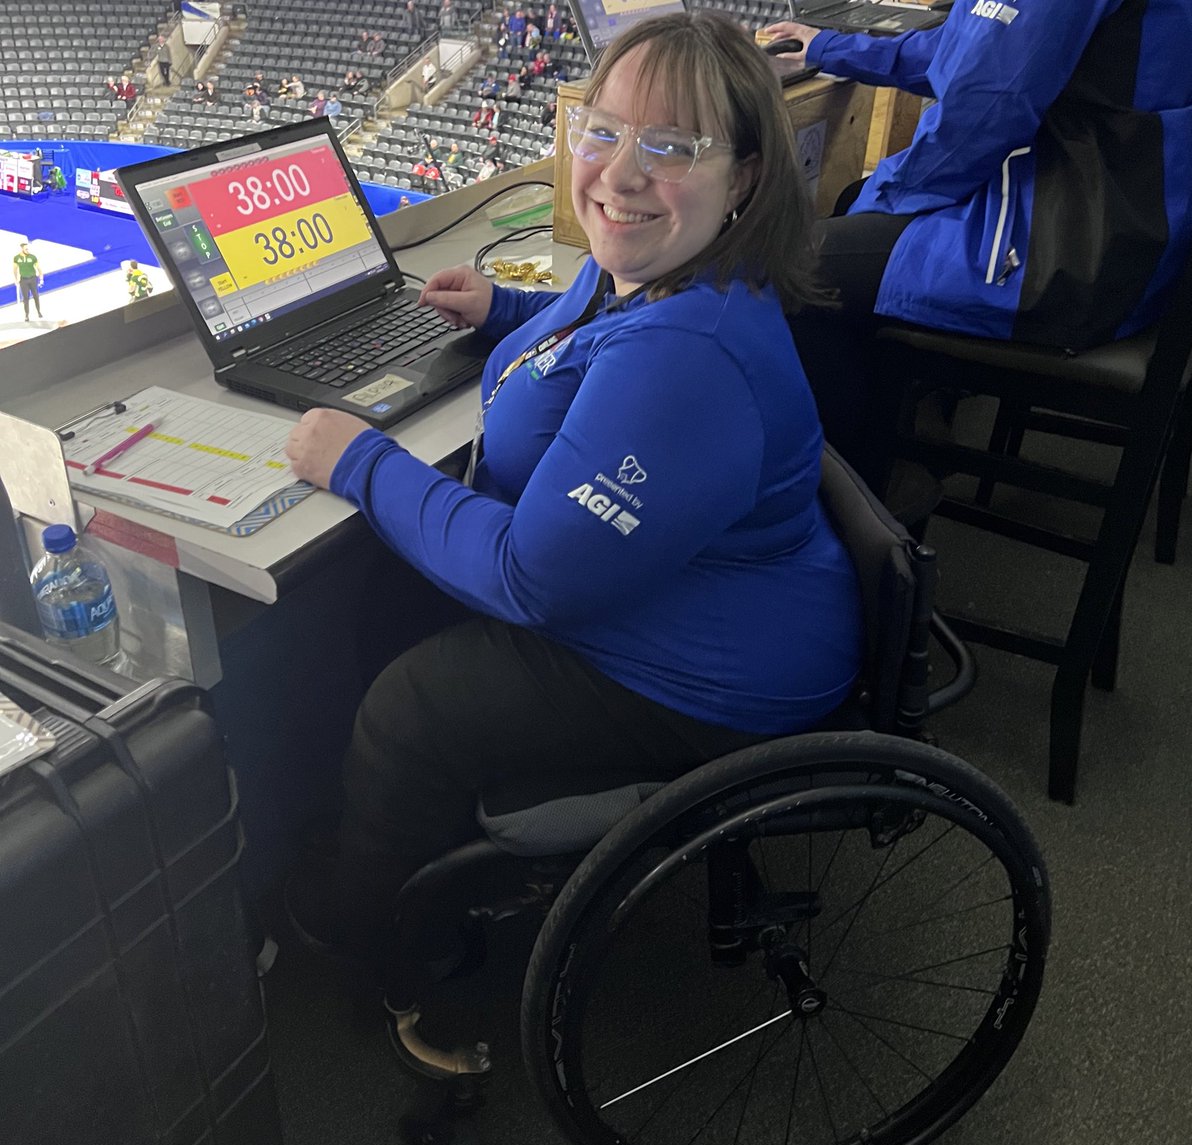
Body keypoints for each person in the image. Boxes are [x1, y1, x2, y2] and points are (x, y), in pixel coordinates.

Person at [282, 12, 862, 1011]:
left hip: (714, 678)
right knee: (389, 591)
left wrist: (360, 461)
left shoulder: (691, 354)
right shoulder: (645, 264)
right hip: (674, 597)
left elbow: (530, 576)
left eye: (671, 147)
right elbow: (582, 323)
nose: (619, 173)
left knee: (408, 710)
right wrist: (500, 312)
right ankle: (413, 843)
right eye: (603, 129)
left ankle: (370, 942)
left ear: (748, 178)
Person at [763, 1, 1192, 481]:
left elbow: (988, 101)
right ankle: (910, 417)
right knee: (849, 217)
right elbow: (979, 50)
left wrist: (883, 194)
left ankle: (860, 497)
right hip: (1140, 230)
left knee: (794, 267)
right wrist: (833, 47)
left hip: (1072, 252)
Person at [12, 241, 43, 321]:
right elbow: (15, 270)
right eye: (26, 249)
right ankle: (27, 315)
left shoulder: (32, 257)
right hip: (23, 280)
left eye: (28, 249)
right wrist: (16, 279)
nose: (27, 250)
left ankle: (39, 311)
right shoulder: (16, 258)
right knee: (25, 298)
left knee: (36, 296)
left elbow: (39, 268)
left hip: (33, 279)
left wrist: (41, 278)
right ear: (21, 249)